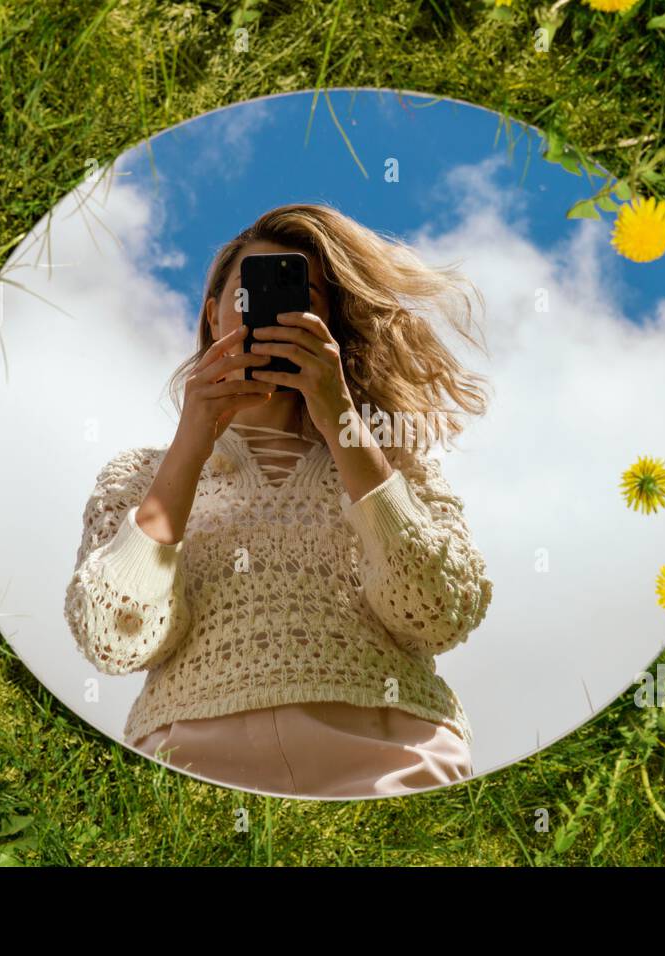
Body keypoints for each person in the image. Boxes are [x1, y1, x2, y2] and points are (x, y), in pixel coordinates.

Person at [63, 202, 493, 798]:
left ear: (331, 325)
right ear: (212, 316)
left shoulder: (396, 465)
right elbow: (114, 635)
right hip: (189, 766)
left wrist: (340, 418)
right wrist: (191, 443)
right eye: (248, 298)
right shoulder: (137, 477)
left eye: (302, 298)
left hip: (393, 759)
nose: (267, 314)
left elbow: (438, 612)